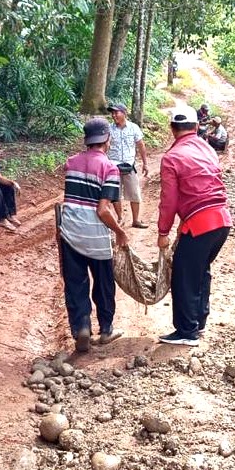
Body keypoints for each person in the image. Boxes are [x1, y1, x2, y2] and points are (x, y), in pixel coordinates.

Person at [157, 109, 233, 346]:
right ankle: (199, 322)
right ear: (195, 126)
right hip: (222, 219)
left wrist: (163, 232)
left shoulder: (171, 157)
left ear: (172, 128)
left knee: (184, 274)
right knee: (200, 269)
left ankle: (186, 332)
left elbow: (169, 199)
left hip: (200, 222)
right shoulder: (208, 148)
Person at [58, 118, 129, 351]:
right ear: (107, 139)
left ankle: (82, 326)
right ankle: (106, 329)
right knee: (104, 283)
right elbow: (102, 209)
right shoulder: (109, 168)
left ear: (86, 140)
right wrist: (119, 232)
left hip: (69, 232)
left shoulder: (71, 162)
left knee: (76, 282)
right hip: (96, 236)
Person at [106, 103, 150, 228]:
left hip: (129, 166)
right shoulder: (109, 129)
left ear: (124, 113)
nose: (114, 115)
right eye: (112, 113)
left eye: (116, 112)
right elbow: (105, 146)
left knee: (135, 193)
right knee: (115, 194)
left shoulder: (134, 128)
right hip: (113, 167)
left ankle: (136, 220)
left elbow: (141, 145)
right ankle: (120, 218)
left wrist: (145, 163)